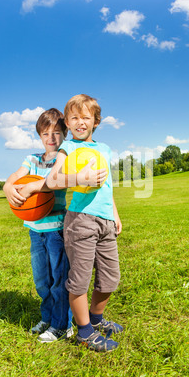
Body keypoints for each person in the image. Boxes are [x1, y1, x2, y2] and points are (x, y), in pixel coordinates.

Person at [45, 94, 123, 352]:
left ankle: (97, 319)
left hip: (105, 221)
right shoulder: (69, 149)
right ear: (67, 122)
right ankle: (85, 332)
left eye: (85, 117)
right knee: (79, 280)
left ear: (96, 121)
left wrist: (115, 214)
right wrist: (80, 178)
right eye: (74, 117)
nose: (80, 122)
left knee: (111, 278)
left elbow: (107, 186)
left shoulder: (105, 149)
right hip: (80, 221)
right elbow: (53, 181)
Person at [3, 108, 73, 342]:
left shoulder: (64, 159)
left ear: (65, 134)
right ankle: (48, 317)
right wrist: (7, 187)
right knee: (42, 280)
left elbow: (52, 182)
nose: (51, 138)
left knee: (59, 280)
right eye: (45, 134)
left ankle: (62, 324)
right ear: (39, 136)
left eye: (56, 133)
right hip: (35, 230)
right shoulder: (32, 159)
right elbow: (15, 175)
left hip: (56, 230)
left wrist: (34, 187)